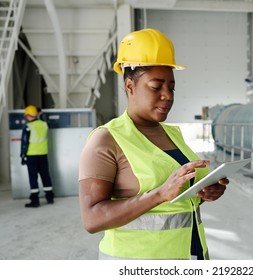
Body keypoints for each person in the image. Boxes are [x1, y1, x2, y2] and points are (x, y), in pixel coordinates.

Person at [78, 28, 229, 260]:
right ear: (130, 86)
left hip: (190, 255)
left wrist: (204, 192)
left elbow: (175, 205)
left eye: (171, 87)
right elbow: (92, 219)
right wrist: (159, 194)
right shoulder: (106, 139)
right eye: (156, 87)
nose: (167, 95)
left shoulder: (173, 134)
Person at [21, 105, 55, 208]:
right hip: (43, 155)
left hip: (31, 156)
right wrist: (41, 113)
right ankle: (50, 198)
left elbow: (24, 143)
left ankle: (35, 201)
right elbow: (46, 119)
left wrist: (22, 156)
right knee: (45, 176)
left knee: (33, 178)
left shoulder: (28, 127)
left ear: (27, 115)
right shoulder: (44, 125)